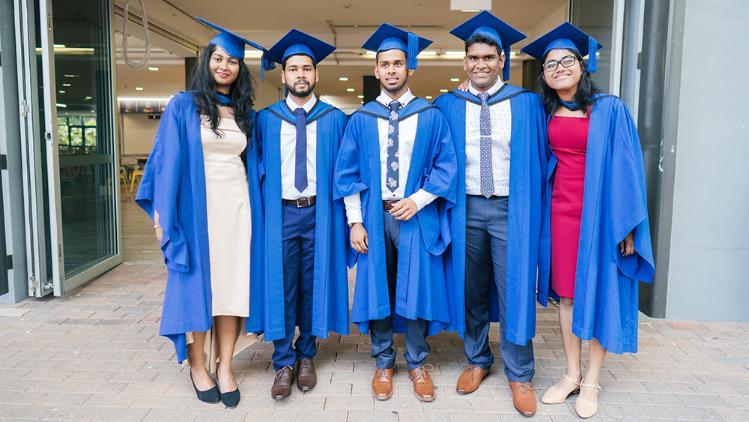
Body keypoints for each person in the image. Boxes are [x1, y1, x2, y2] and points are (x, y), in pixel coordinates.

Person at [521, 22, 655, 418]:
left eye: (567, 61)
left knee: (599, 291)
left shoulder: (610, 109)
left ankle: (593, 380)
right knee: (566, 295)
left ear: (582, 66)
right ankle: (571, 373)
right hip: (560, 213)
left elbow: (628, 168)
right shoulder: (546, 111)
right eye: (550, 64)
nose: (558, 67)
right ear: (544, 74)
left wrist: (629, 224)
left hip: (602, 214)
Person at [135, 18, 269, 408]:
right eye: (219, 58)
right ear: (207, 61)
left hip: (238, 211)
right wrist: (163, 217)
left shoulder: (245, 114)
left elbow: (254, 167)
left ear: (240, 70)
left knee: (231, 292)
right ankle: (198, 366)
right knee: (197, 289)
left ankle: (225, 365)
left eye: (232, 62)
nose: (224, 66)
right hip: (196, 212)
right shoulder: (183, 106)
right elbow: (165, 163)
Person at [334, 23, 457, 403]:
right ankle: (384, 361)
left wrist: (417, 200)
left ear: (410, 68)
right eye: (384, 64)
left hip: (415, 214)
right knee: (379, 288)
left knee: (417, 287)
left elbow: (445, 166)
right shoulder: (361, 119)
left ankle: (418, 363)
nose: (391, 70)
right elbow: (347, 174)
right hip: (373, 214)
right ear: (376, 70)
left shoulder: (431, 116)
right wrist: (355, 221)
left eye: (398, 64)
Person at [433, 11, 548, 417]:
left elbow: (540, 159)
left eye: (488, 58)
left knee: (514, 287)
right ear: (464, 61)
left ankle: (519, 372)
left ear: (502, 60)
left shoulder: (525, 103)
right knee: (471, 287)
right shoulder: (448, 104)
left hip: (508, 208)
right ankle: (478, 359)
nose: (480, 64)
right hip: (465, 206)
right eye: (473, 58)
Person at [250, 29, 349, 401]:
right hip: (281, 215)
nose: (301, 75)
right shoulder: (266, 120)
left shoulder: (335, 119)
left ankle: (307, 354)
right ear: (284, 75)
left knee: (312, 284)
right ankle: (283, 360)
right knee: (282, 284)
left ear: (316, 74)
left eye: (307, 68)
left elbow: (345, 173)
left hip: (319, 215)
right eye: (293, 69)